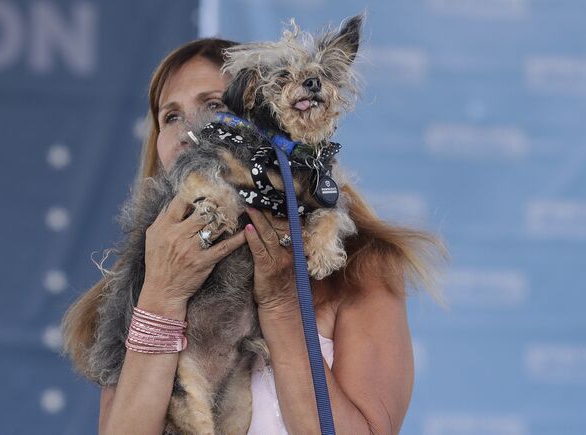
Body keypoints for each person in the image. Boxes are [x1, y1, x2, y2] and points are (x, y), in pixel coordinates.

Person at [61, 37, 448, 435]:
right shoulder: (138, 283)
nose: (189, 132)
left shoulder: (362, 263)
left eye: (214, 106)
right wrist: (162, 294)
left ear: (266, 113)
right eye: (171, 117)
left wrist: (281, 305)